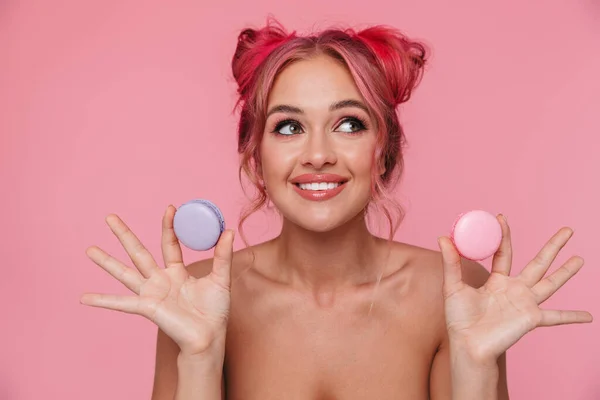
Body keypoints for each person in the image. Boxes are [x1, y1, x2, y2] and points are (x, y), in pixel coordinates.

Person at [80, 18, 593, 400]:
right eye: (288, 126)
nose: (318, 153)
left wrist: (478, 370)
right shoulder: (191, 297)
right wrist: (197, 360)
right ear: (255, 155)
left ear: (385, 149)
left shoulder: (455, 290)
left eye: (349, 124)